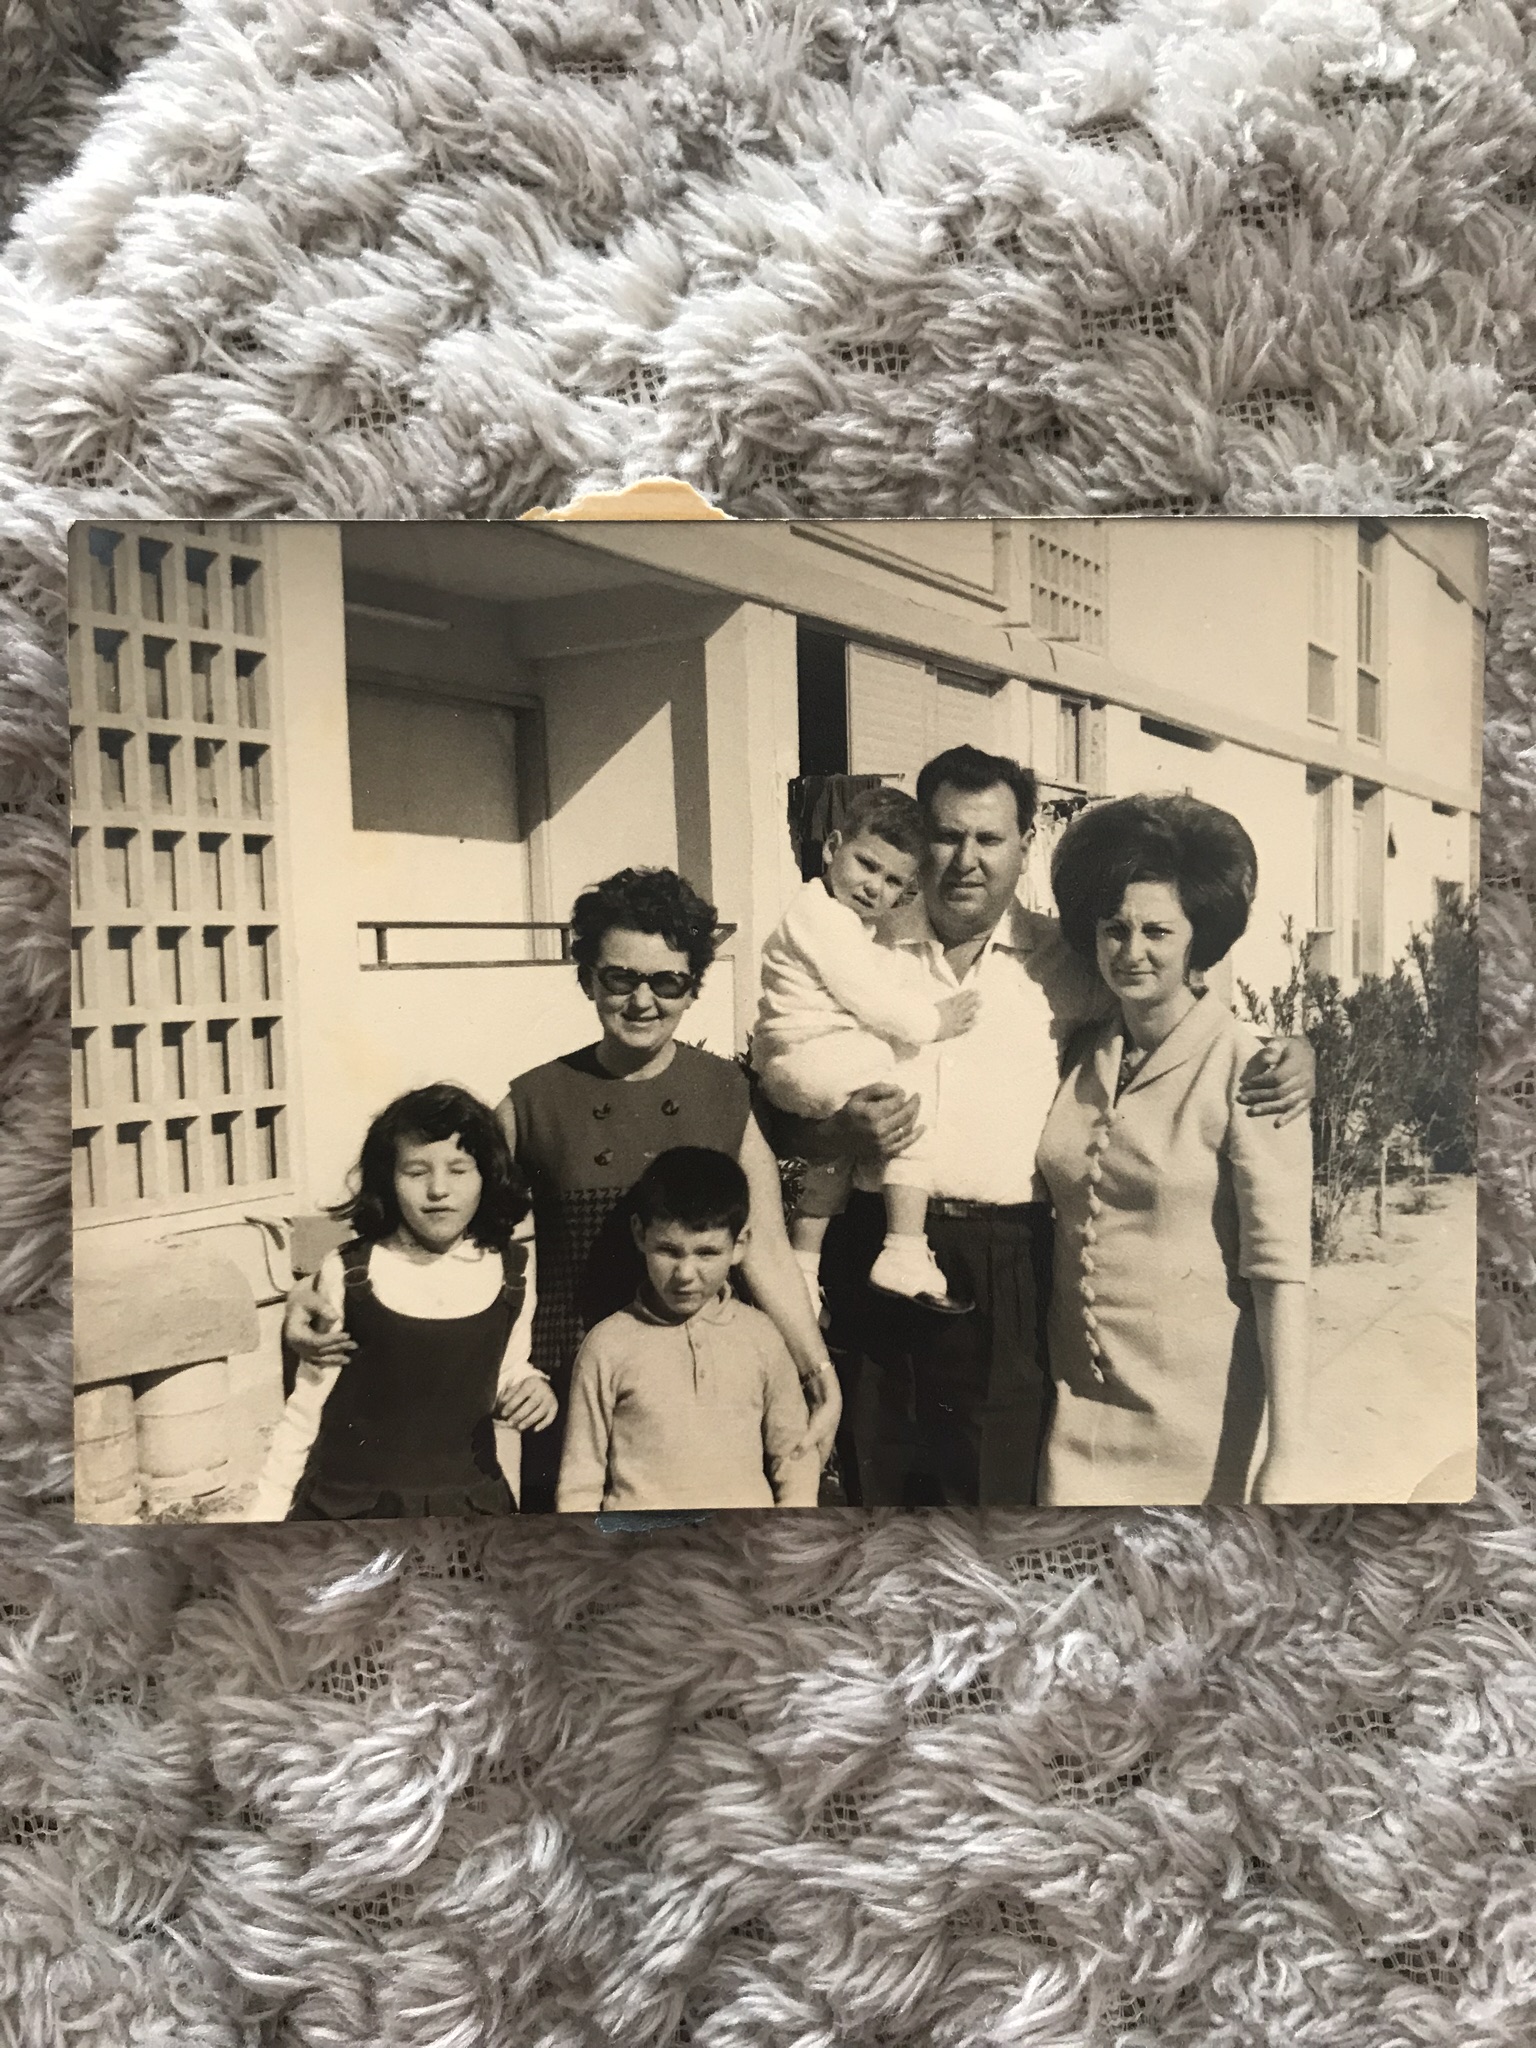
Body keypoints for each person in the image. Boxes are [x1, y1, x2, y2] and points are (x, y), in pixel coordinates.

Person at [791, 744, 1313, 1509]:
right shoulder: (853, 945)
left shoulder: (1067, 960)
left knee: (997, 1512)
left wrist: (1295, 1049)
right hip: (873, 1244)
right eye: (947, 835)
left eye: (989, 838)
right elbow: (782, 1084)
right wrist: (836, 1132)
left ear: (1025, 843)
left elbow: (1178, 992)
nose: (967, 860)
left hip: (1004, 1266)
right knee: (877, 1498)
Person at [1036, 794, 1312, 1505]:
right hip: (1075, 1409)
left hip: (1194, 1421)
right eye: (1114, 929)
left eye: (1157, 930)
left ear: (1198, 940)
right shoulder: (1082, 1051)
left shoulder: (1252, 1069)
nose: (1132, 952)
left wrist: (1287, 1454)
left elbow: (1280, 1273)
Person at [248, 1084, 556, 1521]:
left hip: (468, 1510)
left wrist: (531, 1386)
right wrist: (263, 1519)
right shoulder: (350, 1271)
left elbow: (507, 1367)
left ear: (487, 1177)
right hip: (352, 1509)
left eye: (459, 1169)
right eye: (415, 1172)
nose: (438, 1189)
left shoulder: (512, 1271)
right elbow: (305, 1410)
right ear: (387, 1180)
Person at [752, 785, 980, 1316]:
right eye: (867, 865)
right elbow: (870, 998)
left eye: (894, 881)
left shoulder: (831, 917)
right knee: (911, 1101)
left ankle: (804, 1268)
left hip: (798, 1064)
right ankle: (904, 1249)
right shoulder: (825, 919)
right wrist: (934, 1021)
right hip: (813, 1059)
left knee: (838, 1151)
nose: (875, 886)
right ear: (833, 847)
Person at [556, 1148, 819, 1512]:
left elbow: (793, 1456)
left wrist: (794, 1524)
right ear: (640, 1234)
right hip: (641, 1543)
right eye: (668, 1250)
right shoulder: (606, 1345)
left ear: (739, 1245)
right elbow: (579, 1480)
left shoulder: (762, 1337)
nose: (685, 1274)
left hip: (740, 1540)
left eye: (707, 1253)